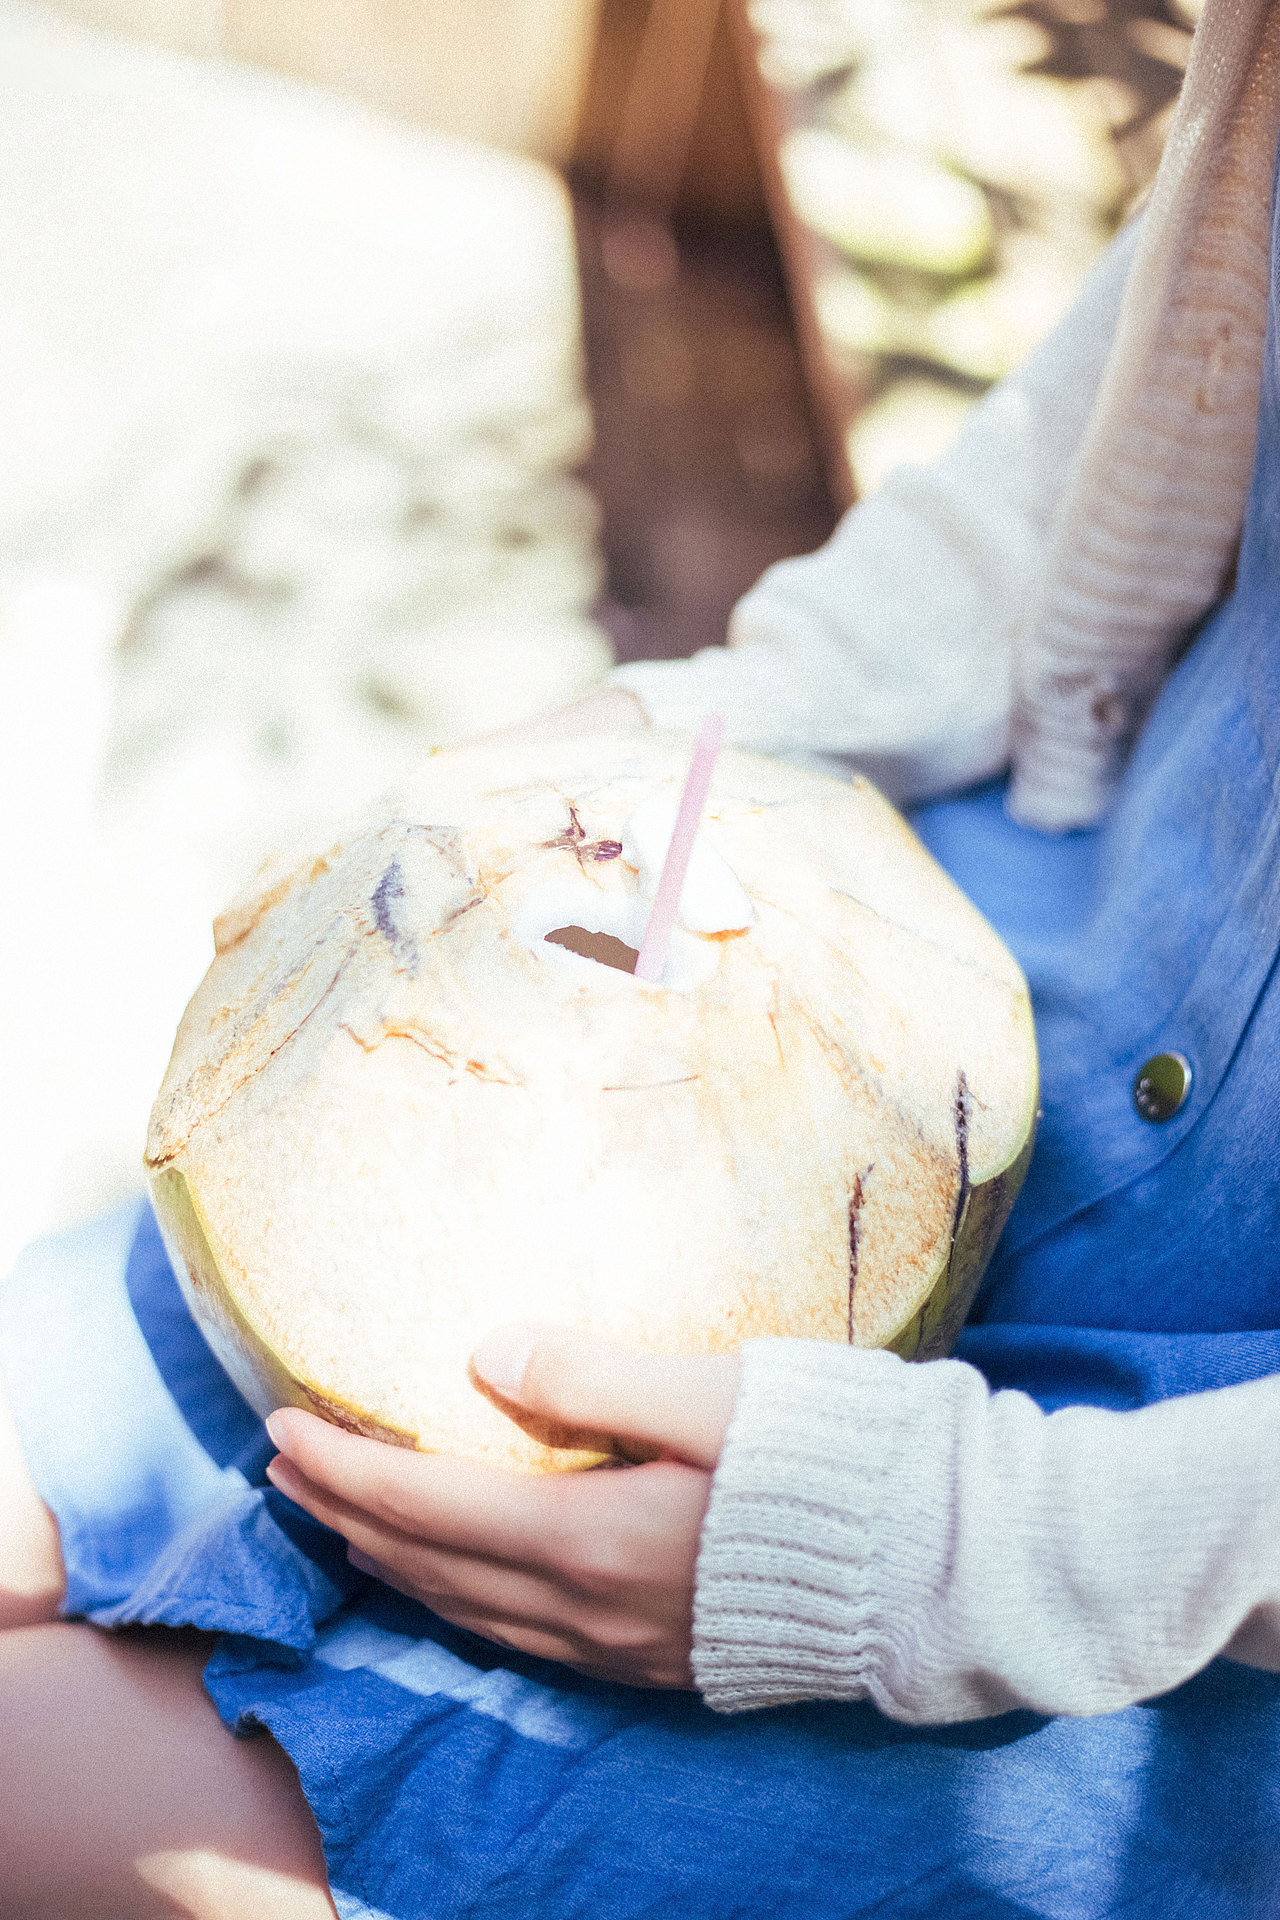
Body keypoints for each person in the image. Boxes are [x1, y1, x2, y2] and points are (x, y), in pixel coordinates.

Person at [7, 0, 1280, 1909]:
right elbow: (1154, 379)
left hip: (1162, 1597)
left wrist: (927, 1556)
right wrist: (669, 741)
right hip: (972, 968)